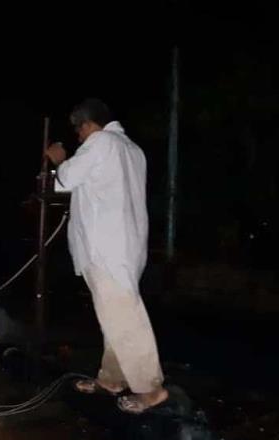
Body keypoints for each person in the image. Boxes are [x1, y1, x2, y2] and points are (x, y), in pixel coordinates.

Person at [44, 98, 168, 414]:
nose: (79, 138)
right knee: (114, 316)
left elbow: (67, 178)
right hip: (126, 246)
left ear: (86, 125)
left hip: (106, 248)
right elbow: (85, 185)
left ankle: (150, 389)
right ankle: (112, 379)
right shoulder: (131, 149)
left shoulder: (100, 142)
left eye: (78, 132)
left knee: (125, 316)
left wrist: (59, 159)